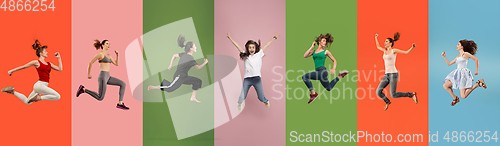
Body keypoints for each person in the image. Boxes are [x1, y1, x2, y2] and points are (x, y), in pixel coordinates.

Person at [148, 35, 208, 103]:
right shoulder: (190, 59)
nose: (196, 47)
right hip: (179, 76)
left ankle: (193, 97)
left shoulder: (183, 54)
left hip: (184, 76)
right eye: (194, 46)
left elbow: (174, 55)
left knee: (197, 81)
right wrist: (205, 62)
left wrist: (170, 65)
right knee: (169, 88)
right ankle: (153, 87)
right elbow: (198, 68)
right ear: (191, 48)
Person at [227, 32, 279, 111]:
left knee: (261, 97)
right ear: (247, 49)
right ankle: (239, 104)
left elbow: (267, 45)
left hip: (257, 79)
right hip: (247, 79)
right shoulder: (245, 55)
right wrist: (230, 38)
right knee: (242, 96)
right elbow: (237, 46)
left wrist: (274, 38)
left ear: (255, 49)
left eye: (253, 47)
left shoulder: (259, 54)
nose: (251, 49)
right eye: (250, 47)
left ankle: (265, 101)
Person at [2, 40, 63, 105]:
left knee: (27, 102)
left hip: (41, 86)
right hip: (40, 85)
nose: (47, 52)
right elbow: (24, 66)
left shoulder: (49, 64)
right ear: (41, 53)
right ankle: (38, 98)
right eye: (45, 51)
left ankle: (13, 91)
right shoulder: (36, 62)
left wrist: (59, 58)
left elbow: (60, 69)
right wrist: (11, 70)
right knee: (57, 96)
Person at [76, 39, 129, 110]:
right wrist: (88, 74)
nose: (109, 45)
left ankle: (120, 103)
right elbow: (90, 62)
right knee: (100, 97)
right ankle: (83, 89)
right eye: (107, 43)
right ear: (103, 45)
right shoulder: (100, 54)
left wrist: (118, 55)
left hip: (108, 76)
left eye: (109, 44)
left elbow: (117, 64)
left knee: (123, 84)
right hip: (103, 76)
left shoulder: (109, 56)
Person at [374, 32, 418, 111]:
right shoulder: (384, 50)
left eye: (386, 41)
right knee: (378, 92)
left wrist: (412, 47)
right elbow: (377, 46)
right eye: (385, 41)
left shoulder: (394, 51)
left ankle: (411, 94)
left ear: (390, 43)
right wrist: (376, 37)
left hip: (393, 74)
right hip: (386, 75)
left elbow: (406, 52)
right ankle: (387, 101)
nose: (384, 42)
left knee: (393, 94)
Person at [302, 33, 349, 104]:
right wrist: (311, 47)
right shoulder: (313, 52)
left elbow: (334, 60)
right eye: (323, 41)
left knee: (304, 77)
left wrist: (333, 69)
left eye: (325, 41)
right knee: (329, 88)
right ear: (319, 42)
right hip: (318, 73)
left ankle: (313, 94)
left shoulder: (326, 51)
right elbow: (305, 56)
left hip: (322, 71)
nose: (325, 42)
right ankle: (340, 76)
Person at [442, 39, 486, 106]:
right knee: (445, 85)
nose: (456, 46)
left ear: (462, 47)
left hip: (463, 75)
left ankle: (478, 84)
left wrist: (477, 70)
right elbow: (449, 63)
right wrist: (444, 56)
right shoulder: (457, 57)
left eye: (458, 44)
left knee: (463, 96)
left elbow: (476, 59)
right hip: (457, 75)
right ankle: (455, 98)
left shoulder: (465, 54)